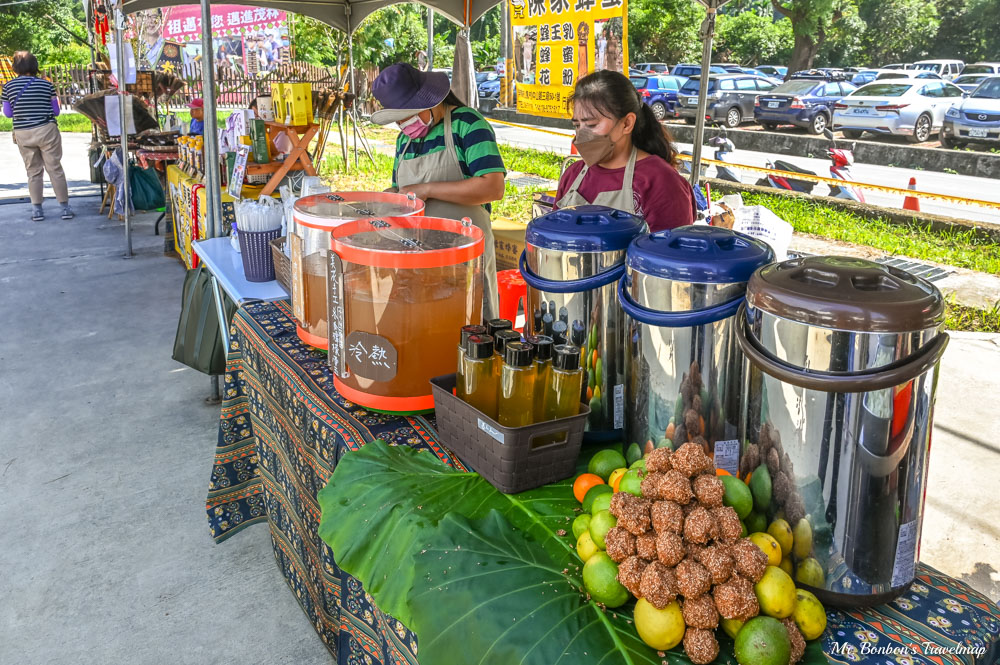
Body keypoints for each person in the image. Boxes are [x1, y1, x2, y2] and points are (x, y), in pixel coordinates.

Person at [371, 62, 505, 320]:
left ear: (431, 101)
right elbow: (404, 191)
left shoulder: (467, 124)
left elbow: (492, 186)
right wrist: (392, 195)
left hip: (465, 253)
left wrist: (427, 189)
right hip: (417, 255)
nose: (403, 124)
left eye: (408, 116)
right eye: (398, 120)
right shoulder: (404, 141)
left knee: (471, 325)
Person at [555, 70, 695, 231]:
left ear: (627, 123)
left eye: (592, 124)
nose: (582, 135)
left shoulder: (662, 182)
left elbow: (670, 253)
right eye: (577, 125)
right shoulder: (573, 175)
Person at [1, 51, 72, 221]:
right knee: (54, 168)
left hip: (23, 132)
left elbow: (8, 113)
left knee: (33, 171)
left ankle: (37, 210)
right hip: (47, 130)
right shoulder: (46, 85)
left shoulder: (8, 87)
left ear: (16, 67)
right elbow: (56, 111)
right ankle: (65, 209)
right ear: (34, 65)